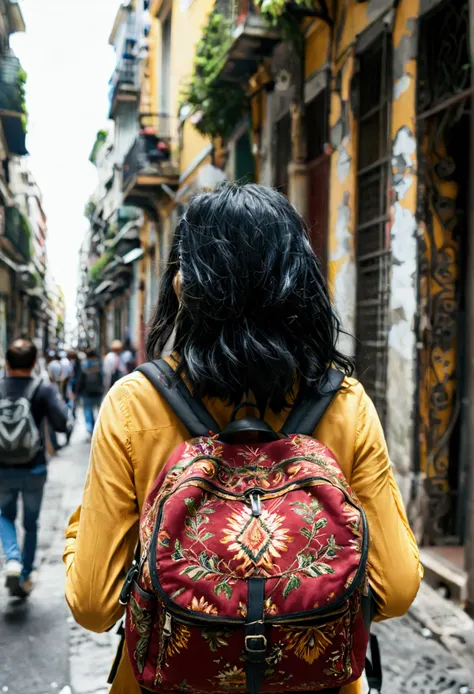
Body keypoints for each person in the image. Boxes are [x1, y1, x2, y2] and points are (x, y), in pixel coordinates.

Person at [64, 184, 422, 694]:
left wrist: (84, 534)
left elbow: (94, 606)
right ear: (299, 282)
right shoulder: (344, 402)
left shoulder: (135, 403)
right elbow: (400, 588)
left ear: (185, 285)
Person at [0, 339, 68, 597]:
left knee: (4, 515)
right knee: (31, 523)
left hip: (2, 468)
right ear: (34, 362)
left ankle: (13, 560)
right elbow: (62, 423)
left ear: (7, 363)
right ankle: (26, 574)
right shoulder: (44, 389)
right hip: (34, 468)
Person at [77, 348, 104, 439]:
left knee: (88, 411)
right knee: (98, 411)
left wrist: (77, 391)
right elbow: (103, 379)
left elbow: (80, 380)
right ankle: (98, 429)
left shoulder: (84, 366)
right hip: (98, 392)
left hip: (87, 393)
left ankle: (90, 430)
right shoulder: (99, 366)